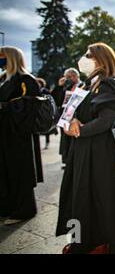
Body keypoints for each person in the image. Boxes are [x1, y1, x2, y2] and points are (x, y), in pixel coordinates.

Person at [56, 43, 115, 254]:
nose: (82, 59)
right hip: (87, 151)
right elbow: (78, 112)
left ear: (100, 60)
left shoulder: (109, 84)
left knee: (103, 199)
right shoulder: (88, 84)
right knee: (85, 198)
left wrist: (78, 131)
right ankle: (86, 241)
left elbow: (105, 121)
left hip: (103, 155)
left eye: (87, 55)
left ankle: (107, 243)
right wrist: (73, 120)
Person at [0, 46, 43, 225]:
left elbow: (30, 106)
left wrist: (5, 107)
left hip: (18, 134)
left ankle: (23, 210)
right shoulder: (4, 79)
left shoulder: (25, 80)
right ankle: (6, 207)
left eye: (1, 56)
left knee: (20, 171)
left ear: (11, 58)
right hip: (3, 133)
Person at [51, 68, 83, 167]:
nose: (70, 78)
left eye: (72, 76)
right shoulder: (66, 87)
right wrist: (59, 86)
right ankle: (67, 161)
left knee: (77, 137)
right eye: (68, 77)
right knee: (65, 139)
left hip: (78, 116)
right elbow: (56, 99)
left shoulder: (84, 85)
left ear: (77, 76)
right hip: (66, 115)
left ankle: (76, 160)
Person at [36, 77, 58, 150]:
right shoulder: (35, 91)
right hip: (39, 112)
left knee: (46, 132)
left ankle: (47, 143)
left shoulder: (44, 91)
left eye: (39, 83)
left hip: (45, 112)